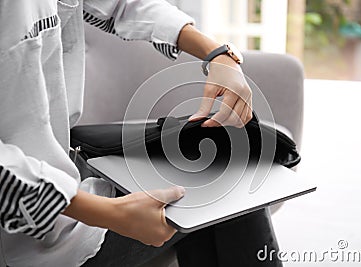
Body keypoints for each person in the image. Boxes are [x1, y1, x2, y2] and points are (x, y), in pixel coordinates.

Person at [0, 0, 282, 266]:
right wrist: (113, 214)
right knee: (227, 193)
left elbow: (122, 5)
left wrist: (219, 54)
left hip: (65, 180)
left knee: (225, 168)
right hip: (26, 233)